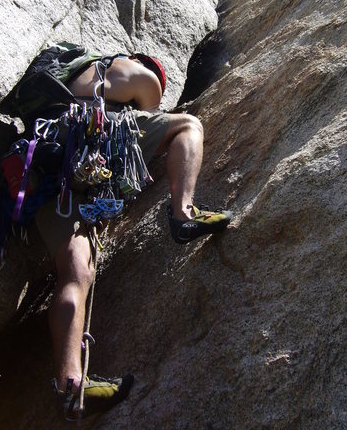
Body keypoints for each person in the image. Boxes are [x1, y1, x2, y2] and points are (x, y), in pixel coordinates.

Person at [35, 53, 232, 420]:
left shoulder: (71, 77)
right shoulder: (133, 70)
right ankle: (184, 213)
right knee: (188, 125)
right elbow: (151, 112)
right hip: (92, 134)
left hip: (47, 163)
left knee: (76, 273)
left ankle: (70, 384)